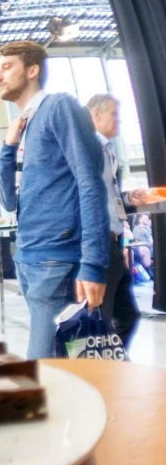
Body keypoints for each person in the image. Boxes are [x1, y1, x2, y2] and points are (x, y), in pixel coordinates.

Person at [0, 40, 108, 359]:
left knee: (43, 363)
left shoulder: (59, 106)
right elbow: (6, 199)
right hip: (29, 255)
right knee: (64, 358)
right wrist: (7, 147)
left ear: (32, 71)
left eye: (7, 67)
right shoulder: (27, 126)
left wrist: (93, 264)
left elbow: (90, 184)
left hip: (56, 257)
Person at [87, 94, 151, 347]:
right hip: (98, 243)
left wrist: (127, 197)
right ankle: (99, 371)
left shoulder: (108, 151)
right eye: (114, 114)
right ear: (96, 115)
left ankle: (110, 362)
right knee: (100, 317)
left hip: (113, 242)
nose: (118, 121)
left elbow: (108, 195)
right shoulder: (88, 151)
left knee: (126, 315)